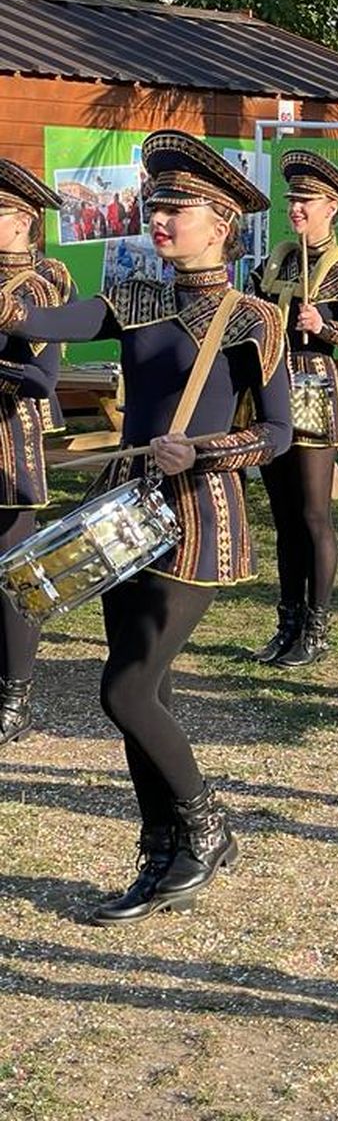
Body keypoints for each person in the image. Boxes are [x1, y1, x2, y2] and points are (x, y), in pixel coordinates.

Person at [0, 129, 291, 925]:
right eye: (153, 205)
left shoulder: (255, 317)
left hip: (198, 515)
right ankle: (162, 849)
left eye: (177, 206)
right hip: (120, 512)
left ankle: (207, 827)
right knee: (145, 688)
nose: (158, 218)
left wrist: (202, 447)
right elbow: (45, 326)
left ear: (221, 221)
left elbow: (277, 435)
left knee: (124, 688)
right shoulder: (134, 297)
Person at [248, 151, 338, 666]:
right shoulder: (279, 259)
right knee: (283, 517)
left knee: (312, 513)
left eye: (306, 200)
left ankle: (317, 628)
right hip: (269, 392)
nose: (296, 209)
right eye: (292, 200)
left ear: (331, 206)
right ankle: (287, 623)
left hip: (314, 393)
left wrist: (325, 328)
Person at [0, 160, 74, 745]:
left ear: (24, 220)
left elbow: (40, 377)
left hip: (8, 440)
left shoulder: (38, 287)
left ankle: (16, 694)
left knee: (13, 570)